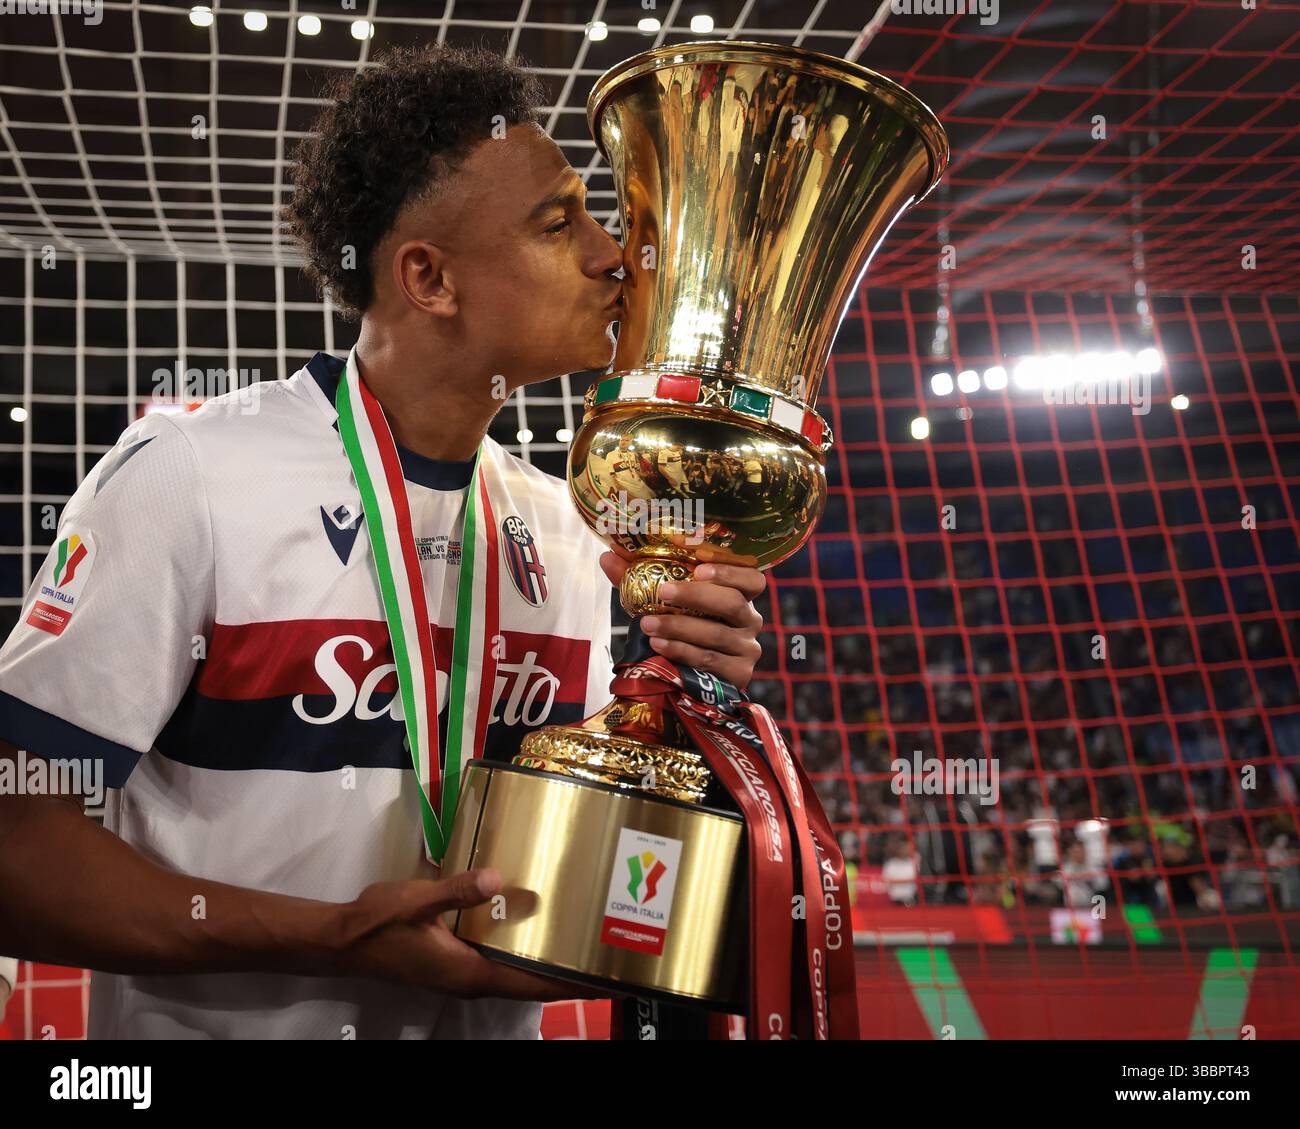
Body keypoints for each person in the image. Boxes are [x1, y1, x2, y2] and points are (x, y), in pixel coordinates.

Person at [0, 45, 766, 1040]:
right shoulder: (191, 474)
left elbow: (563, 862)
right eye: (558, 220)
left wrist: (684, 692)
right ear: (429, 278)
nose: (611, 254)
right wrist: (329, 935)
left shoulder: (573, 527)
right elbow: (16, 849)